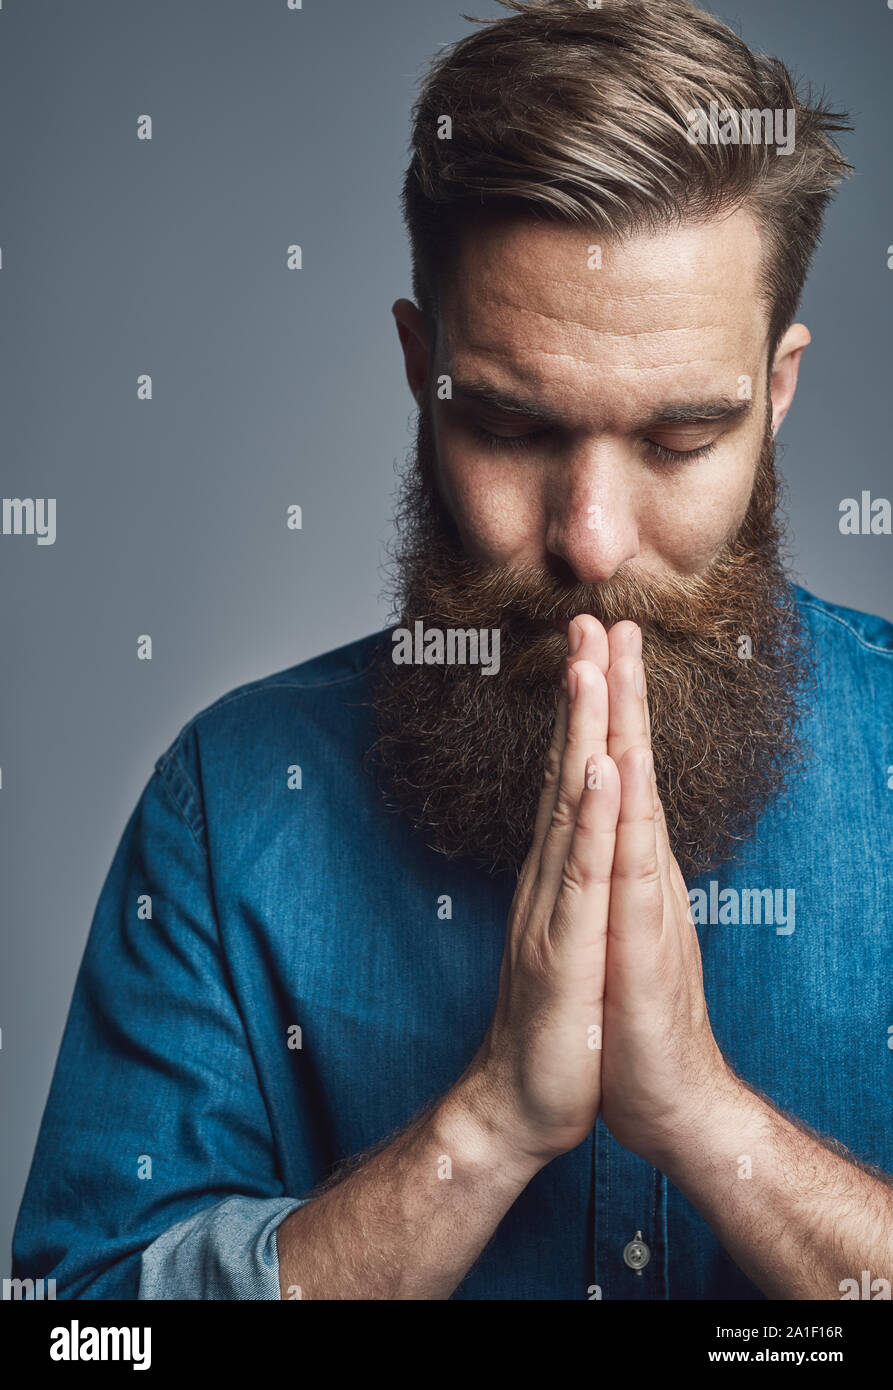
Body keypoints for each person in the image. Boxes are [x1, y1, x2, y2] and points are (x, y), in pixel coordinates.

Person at [13, 0, 893, 1300]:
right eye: (513, 425)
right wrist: (479, 1131)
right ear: (421, 368)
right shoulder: (230, 809)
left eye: (676, 438)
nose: (589, 540)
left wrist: (711, 1121)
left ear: (776, 392)